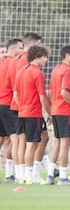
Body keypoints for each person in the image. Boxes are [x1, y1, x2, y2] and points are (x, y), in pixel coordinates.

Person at [6, 33, 46, 184]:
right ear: (34, 45)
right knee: (32, 141)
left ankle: (20, 174)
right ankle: (31, 173)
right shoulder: (28, 64)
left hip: (17, 105)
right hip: (29, 106)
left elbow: (10, 84)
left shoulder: (13, 62)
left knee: (19, 141)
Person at [13, 45, 51, 185]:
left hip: (22, 112)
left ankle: (26, 173)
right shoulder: (38, 73)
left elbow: (16, 94)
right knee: (31, 144)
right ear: (38, 56)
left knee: (30, 142)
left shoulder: (21, 71)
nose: (46, 60)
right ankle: (30, 176)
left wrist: (23, 105)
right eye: (45, 57)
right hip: (33, 113)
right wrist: (49, 113)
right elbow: (42, 97)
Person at [48, 45, 70, 186]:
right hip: (63, 110)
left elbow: (50, 92)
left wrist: (50, 109)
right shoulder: (67, 71)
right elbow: (64, 92)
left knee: (57, 143)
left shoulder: (56, 70)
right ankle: (63, 177)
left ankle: (50, 174)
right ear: (67, 55)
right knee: (65, 144)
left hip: (55, 110)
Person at [0, 39, 24, 182]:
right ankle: (19, 174)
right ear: (14, 49)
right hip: (8, 104)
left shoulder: (2, 63)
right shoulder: (13, 63)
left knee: (4, 139)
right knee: (16, 139)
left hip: (1, 104)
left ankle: (9, 173)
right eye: (20, 48)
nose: (22, 51)